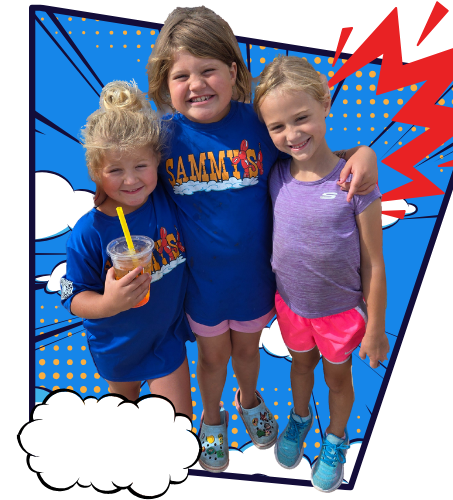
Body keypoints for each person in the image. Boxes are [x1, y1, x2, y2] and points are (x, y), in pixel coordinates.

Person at [143, 5, 379, 473]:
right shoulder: (162, 137)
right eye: (181, 76)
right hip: (202, 286)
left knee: (247, 352)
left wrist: (366, 152)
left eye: (208, 70)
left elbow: (311, 151)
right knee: (211, 361)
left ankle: (250, 400)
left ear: (233, 71)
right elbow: (124, 167)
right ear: (164, 86)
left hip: (256, 282)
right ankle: (213, 421)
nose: (196, 84)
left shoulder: (258, 122)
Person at [253, 55, 390, 493]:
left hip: (338, 314)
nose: (291, 134)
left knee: (337, 379)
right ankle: (299, 418)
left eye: (301, 118)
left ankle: (335, 437)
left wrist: (377, 329)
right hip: (291, 308)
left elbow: (374, 262)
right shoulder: (275, 175)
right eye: (277, 127)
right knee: (299, 368)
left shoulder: (356, 184)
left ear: (325, 103)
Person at [60, 80, 195, 419]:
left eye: (140, 167)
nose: (131, 180)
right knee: (125, 423)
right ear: (96, 173)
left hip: (166, 339)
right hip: (117, 348)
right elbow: (71, 297)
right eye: (115, 170)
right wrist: (108, 302)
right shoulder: (87, 234)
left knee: (178, 427)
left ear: (157, 162)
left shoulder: (164, 196)